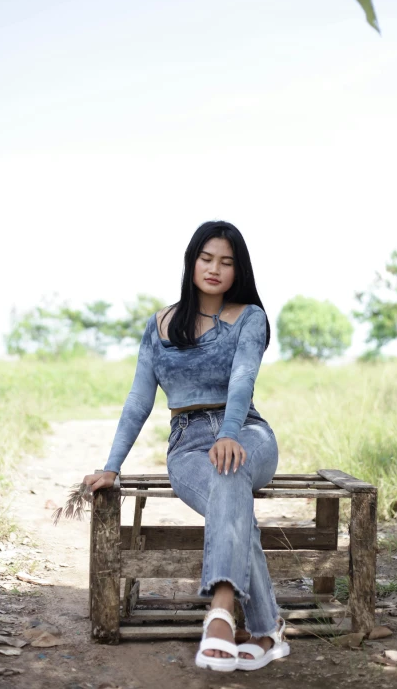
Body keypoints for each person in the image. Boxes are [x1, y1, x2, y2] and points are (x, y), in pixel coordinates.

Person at [83, 220, 289, 673]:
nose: (215, 268)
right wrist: (111, 466)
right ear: (192, 262)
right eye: (207, 258)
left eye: (227, 262)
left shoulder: (249, 318)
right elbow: (139, 399)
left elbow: (242, 380)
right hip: (186, 445)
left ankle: (219, 609)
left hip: (247, 434)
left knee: (229, 469)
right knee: (227, 493)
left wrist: (230, 433)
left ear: (239, 270)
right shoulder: (159, 325)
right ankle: (267, 625)